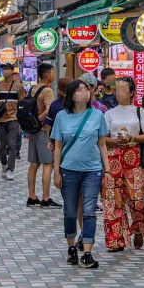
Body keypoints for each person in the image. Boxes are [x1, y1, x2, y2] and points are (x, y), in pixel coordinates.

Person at [51, 79, 110, 269]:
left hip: (93, 170)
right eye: (78, 90)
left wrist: (107, 168)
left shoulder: (97, 115)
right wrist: (56, 172)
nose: (83, 93)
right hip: (68, 170)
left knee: (89, 211)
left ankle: (87, 252)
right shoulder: (61, 116)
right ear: (71, 95)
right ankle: (71, 248)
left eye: (86, 89)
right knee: (69, 211)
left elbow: (102, 144)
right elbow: (58, 146)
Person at [102, 76, 144, 251]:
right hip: (113, 159)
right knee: (113, 201)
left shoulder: (139, 111)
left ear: (131, 92)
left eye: (122, 89)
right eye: (117, 89)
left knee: (136, 199)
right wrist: (113, 141)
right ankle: (116, 240)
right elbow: (102, 138)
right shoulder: (109, 113)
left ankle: (138, 228)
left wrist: (133, 138)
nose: (118, 92)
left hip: (134, 159)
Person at [26, 63, 60, 209]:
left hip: (33, 131)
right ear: (46, 74)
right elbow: (49, 110)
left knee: (34, 164)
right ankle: (46, 199)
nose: (54, 74)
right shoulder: (48, 91)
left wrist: (33, 122)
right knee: (47, 164)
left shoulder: (33, 88)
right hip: (43, 130)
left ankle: (32, 196)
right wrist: (39, 120)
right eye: (52, 72)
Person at [0, 63, 25, 180]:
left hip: (13, 119)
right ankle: (4, 165)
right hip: (1, 119)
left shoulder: (19, 86)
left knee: (12, 144)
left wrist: (21, 121)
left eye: (7, 69)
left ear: (12, 71)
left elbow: (22, 105)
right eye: (3, 69)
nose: (5, 71)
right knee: (1, 146)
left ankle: (10, 169)